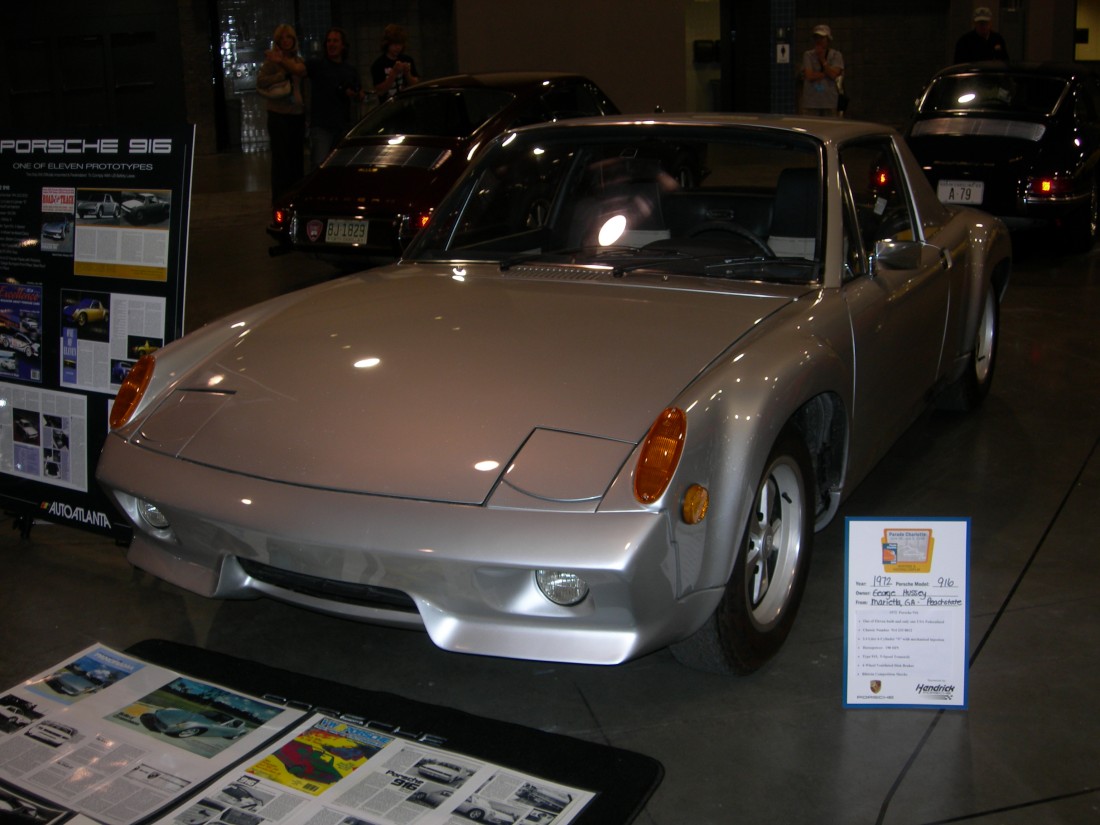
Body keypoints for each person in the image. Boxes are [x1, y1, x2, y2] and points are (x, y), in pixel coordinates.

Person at [257, 23, 307, 203]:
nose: (286, 41)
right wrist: (281, 74)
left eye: (289, 37)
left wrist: (282, 62)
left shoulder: (297, 61)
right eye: (282, 38)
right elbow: (261, 82)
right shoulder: (271, 62)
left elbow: (300, 72)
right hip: (278, 114)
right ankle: (279, 199)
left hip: (297, 114)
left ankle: (295, 197)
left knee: (296, 158)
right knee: (281, 160)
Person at [306, 28, 365, 168]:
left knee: (340, 165)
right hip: (322, 126)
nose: (331, 44)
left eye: (335, 41)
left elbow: (359, 93)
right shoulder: (317, 65)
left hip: (342, 125)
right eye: (329, 41)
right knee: (320, 165)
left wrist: (355, 94)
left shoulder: (350, 70)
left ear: (343, 45)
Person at [800, 24, 844, 117]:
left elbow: (833, 75)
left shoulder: (836, 55)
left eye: (822, 38)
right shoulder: (808, 55)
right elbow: (809, 76)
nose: (818, 40)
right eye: (816, 38)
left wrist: (822, 59)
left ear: (828, 39)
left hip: (830, 102)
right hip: (811, 102)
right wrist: (826, 73)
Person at [371, 24, 420, 103]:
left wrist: (407, 73)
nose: (398, 47)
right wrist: (394, 73)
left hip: (407, 104)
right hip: (388, 106)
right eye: (395, 44)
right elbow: (380, 91)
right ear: (387, 44)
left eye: (400, 44)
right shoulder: (378, 64)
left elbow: (416, 85)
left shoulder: (407, 60)